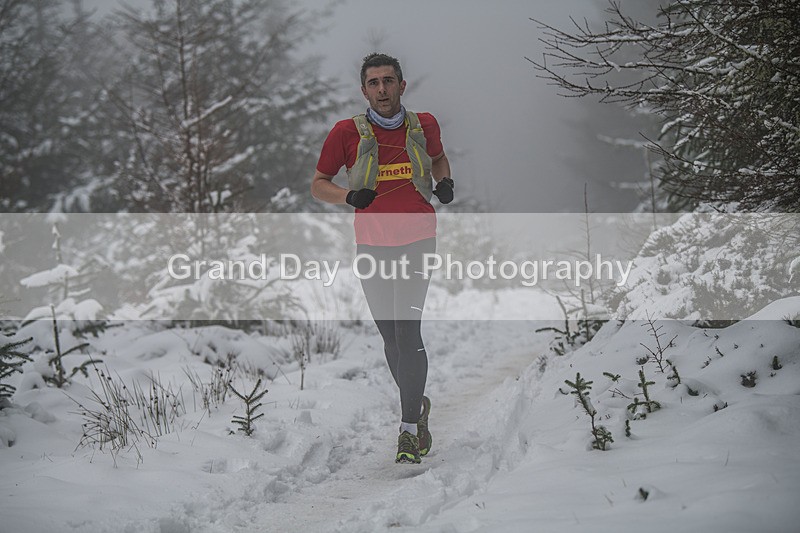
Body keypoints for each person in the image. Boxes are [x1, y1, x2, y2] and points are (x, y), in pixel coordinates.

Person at [311, 53, 453, 464]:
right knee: (390, 336)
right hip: (372, 246)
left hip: (418, 241)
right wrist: (348, 196)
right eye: (373, 83)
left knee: (407, 332)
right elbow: (319, 184)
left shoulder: (424, 125)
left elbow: (439, 157)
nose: (382, 90)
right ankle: (417, 403)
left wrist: (444, 182)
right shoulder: (345, 133)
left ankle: (409, 428)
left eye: (389, 81)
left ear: (402, 86)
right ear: (364, 90)